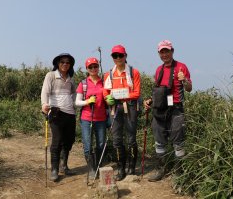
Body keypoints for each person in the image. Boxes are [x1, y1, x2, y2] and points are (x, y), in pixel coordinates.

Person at [144, 40, 192, 182]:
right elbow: (158, 91)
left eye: (167, 51)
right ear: (159, 53)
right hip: (160, 109)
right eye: (162, 52)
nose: (165, 54)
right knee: (159, 141)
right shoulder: (159, 70)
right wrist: (149, 101)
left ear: (172, 51)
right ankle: (161, 169)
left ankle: (178, 172)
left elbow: (189, 89)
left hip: (176, 108)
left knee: (178, 141)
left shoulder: (181, 67)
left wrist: (184, 81)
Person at [103, 45, 141, 181]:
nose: (118, 58)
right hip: (114, 109)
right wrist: (107, 98)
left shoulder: (133, 72)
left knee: (131, 138)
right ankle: (120, 168)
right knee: (117, 140)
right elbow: (105, 92)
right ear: (112, 57)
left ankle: (131, 167)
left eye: (120, 55)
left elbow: (136, 92)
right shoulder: (108, 74)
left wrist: (120, 96)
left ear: (125, 56)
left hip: (130, 106)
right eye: (115, 56)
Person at [41, 53, 77, 181]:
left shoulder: (71, 78)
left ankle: (64, 165)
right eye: (62, 62)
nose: (65, 64)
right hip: (55, 112)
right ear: (57, 63)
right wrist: (44, 104)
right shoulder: (51, 75)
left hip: (70, 113)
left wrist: (76, 102)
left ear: (70, 65)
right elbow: (45, 91)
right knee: (57, 140)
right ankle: (54, 169)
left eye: (67, 62)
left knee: (69, 139)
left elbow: (74, 93)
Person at [75, 57, 107, 179]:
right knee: (87, 144)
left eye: (95, 66)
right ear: (87, 69)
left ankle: (99, 165)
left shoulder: (104, 83)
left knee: (100, 144)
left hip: (101, 118)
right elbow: (77, 102)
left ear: (98, 67)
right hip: (86, 118)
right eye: (90, 67)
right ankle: (91, 168)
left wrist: (110, 100)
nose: (93, 69)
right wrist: (87, 101)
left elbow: (108, 100)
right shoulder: (83, 84)